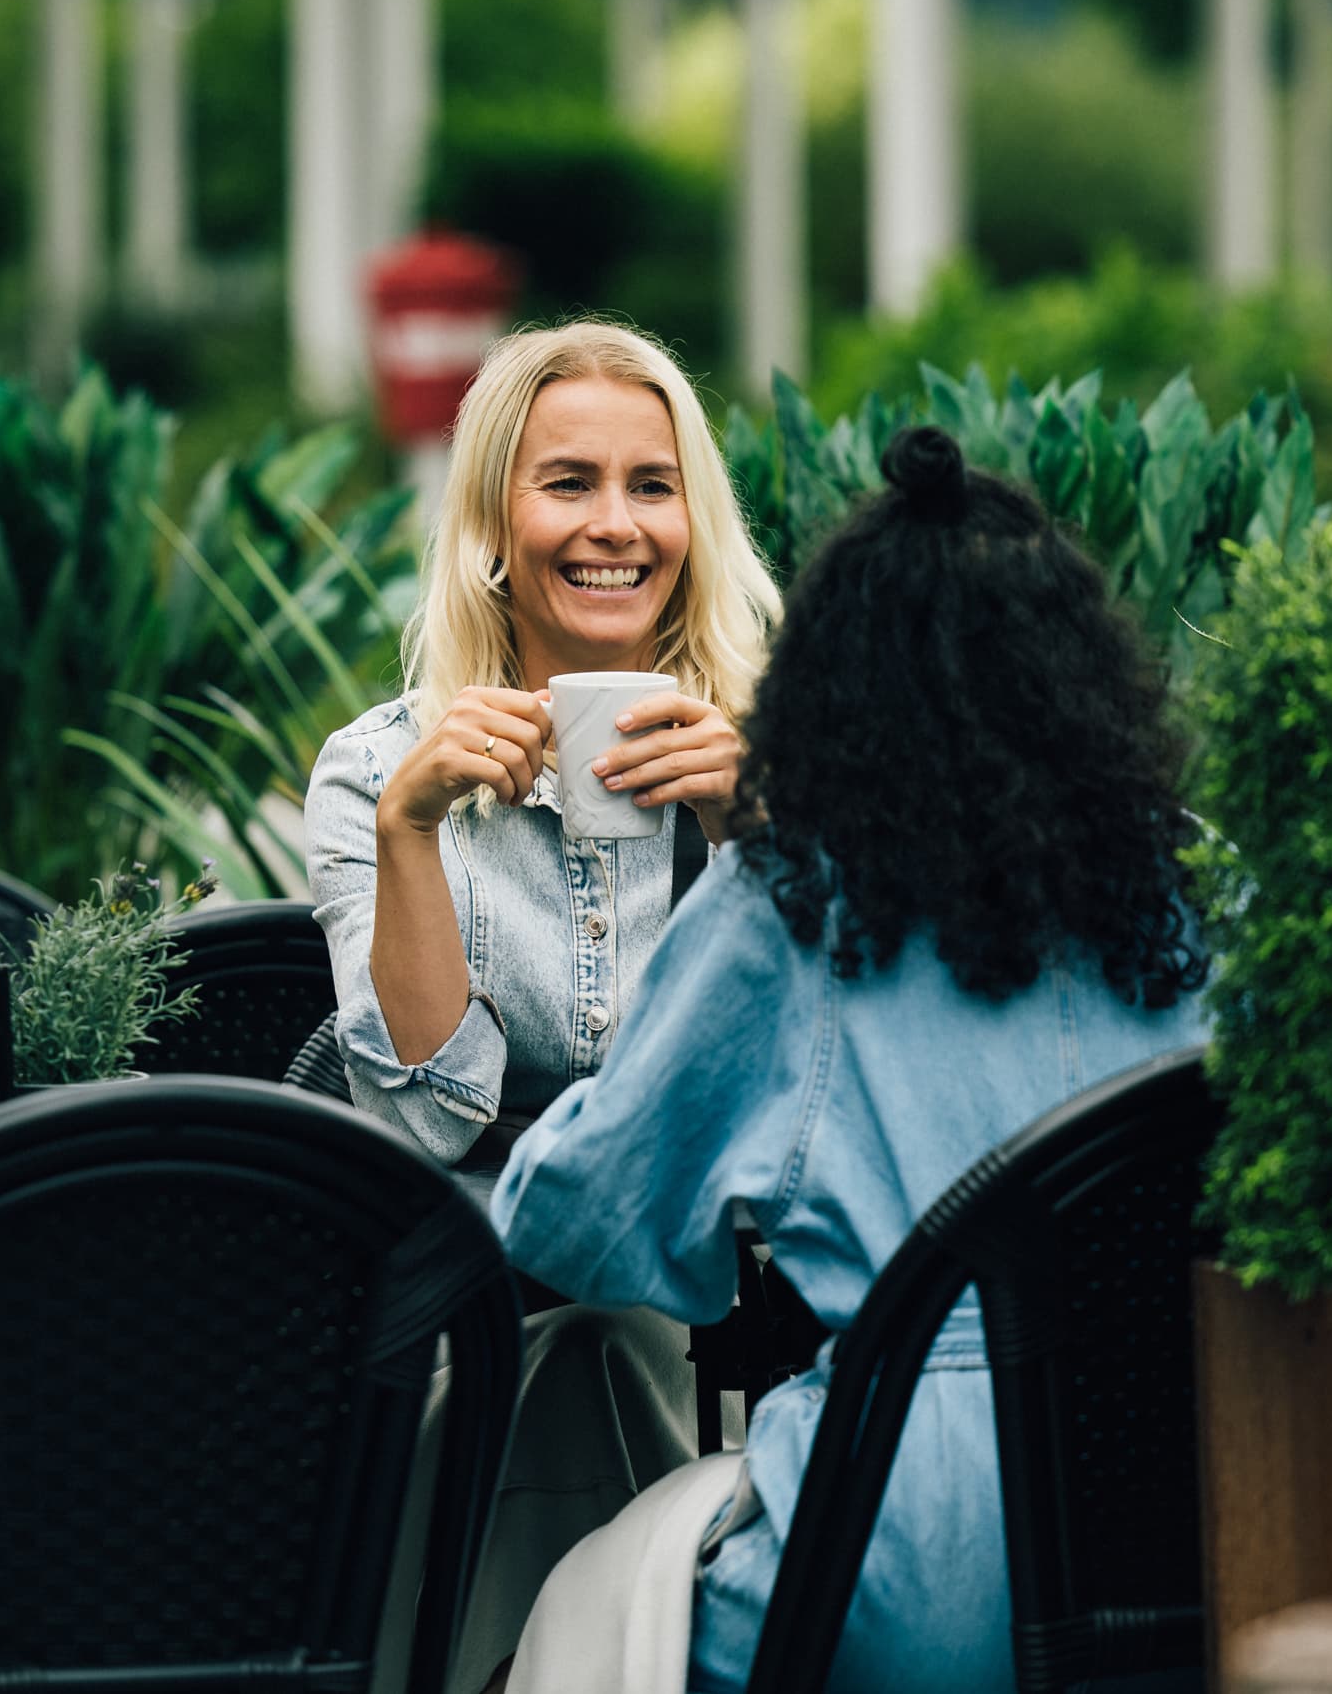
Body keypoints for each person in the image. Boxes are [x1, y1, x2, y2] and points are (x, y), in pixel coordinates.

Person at [489, 425, 1215, 1693]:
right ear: (1087, 682)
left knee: (574, 1623)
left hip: (901, 1554)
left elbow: (578, 1223)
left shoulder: (799, 911)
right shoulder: (1201, 896)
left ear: (829, 692)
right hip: (1194, 1519)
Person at [301, 319, 781, 1694]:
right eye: (568, 482)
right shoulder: (380, 766)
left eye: (652, 482)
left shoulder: (771, 753)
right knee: (570, 1346)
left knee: (612, 1335)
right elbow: (420, 1107)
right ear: (496, 522)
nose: (615, 525)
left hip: (714, 1297)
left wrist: (762, 835)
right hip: (469, 1293)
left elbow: (813, 1084)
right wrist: (411, 831)